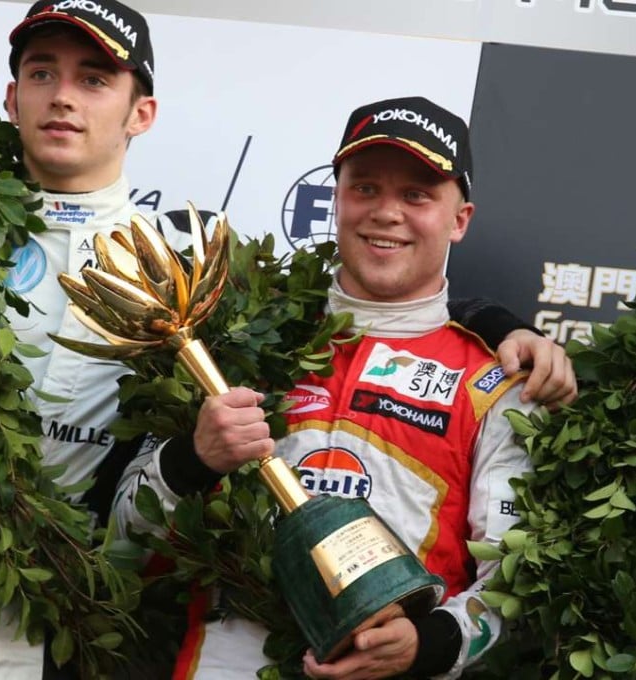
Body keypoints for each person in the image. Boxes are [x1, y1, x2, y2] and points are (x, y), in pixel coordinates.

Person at [111, 95, 539, 679]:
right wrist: (193, 459)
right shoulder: (238, 337)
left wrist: (427, 643)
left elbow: (514, 579)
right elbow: (122, 538)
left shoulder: (493, 378)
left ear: (459, 219)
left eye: (416, 195)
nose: (386, 213)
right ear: (335, 198)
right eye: (365, 188)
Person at [0, 1, 182, 677]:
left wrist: (488, 318)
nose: (61, 96)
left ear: (140, 113)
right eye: (41, 73)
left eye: (94, 79)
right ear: (12, 98)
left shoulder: (179, 274)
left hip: (63, 627)